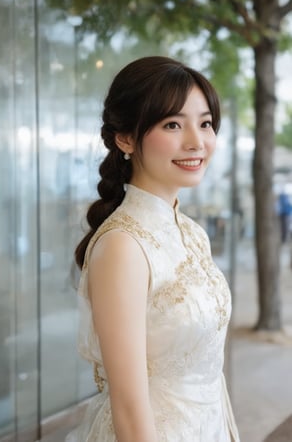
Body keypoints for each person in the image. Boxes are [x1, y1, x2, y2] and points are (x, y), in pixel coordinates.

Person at [66, 56, 240, 442]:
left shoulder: (193, 233)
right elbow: (128, 407)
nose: (196, 141)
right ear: (125, 138)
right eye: (173, 124)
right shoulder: (122, 246)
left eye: (205, 123)